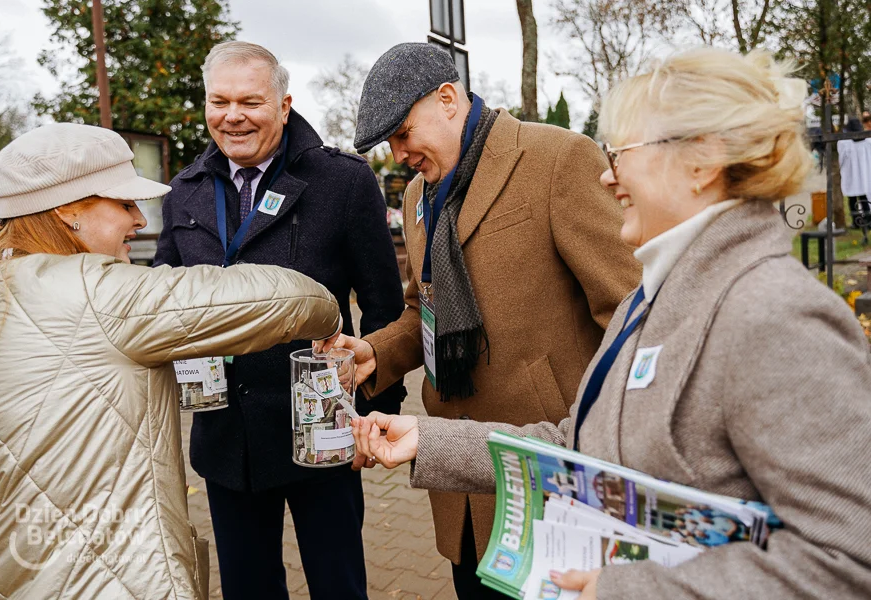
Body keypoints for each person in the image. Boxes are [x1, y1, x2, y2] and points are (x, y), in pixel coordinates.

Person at [350, 47, 871, 599]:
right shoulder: (650, 301)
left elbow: (846, 560)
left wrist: (620, 589)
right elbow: (578, 444)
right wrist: (427, 440)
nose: (607, 174)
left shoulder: (776, 314)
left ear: (702, 161)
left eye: (623, 152)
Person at [0, 123, 343, 599]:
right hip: (108, 578)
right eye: (124, 204)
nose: (140, 220)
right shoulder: (98, 292)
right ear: (66, 209)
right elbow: (278, 297)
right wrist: (330, 317)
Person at [333, 42, 640, 598]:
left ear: (448, 99)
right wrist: (375, 352)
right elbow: (421, 305)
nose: (398, 153)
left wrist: (620, 445)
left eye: (403, 133)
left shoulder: (558, 159)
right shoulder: (418, 196)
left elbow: (631, 312)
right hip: (460, 486)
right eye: (391, 142)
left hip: (553, 482)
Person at [153, 41, 405, 600]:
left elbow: (385, 307)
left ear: (284, 105)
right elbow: (162, 298)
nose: (232, 116)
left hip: (323, 432)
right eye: (219, 101)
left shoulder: (342, 181)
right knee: (248, 588)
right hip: (226, 441)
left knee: (338, 585)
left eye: (250, 101)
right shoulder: (186, 190)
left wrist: (374, 416)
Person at [838, 115, 871, 238]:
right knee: (864, 198)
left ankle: (856, 222)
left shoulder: (844, 143)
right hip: (865, 174)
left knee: (853, 199)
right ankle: (868, 220)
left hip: (852, 174)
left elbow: (841, 160)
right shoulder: (868, 141)